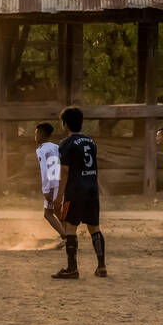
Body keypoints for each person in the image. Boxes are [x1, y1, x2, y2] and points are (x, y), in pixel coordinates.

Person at [52, 106, 105, 278]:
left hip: (74, 192)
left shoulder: (66, 144)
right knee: (94, 227)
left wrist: (59, 196)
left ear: (65, 124)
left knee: (70, 227)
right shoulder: (91, 142)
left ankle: (72, 268)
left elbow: (65, 171)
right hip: (91, 191)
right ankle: (101, 266)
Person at [34, 123, 64, 239]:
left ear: (41, 134)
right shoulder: (56, 147)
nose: (35, 137)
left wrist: (45, 189)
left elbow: (45, 170)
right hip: (60, 182)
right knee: (57, 211)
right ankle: (69, 234)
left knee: (48, 214)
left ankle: (66, 237)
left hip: (51, 185)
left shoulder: (41, 150)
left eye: (36, 134)